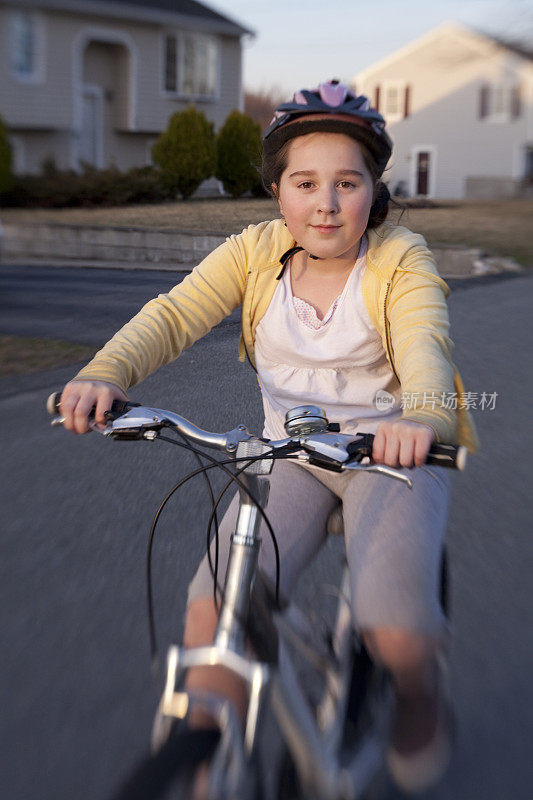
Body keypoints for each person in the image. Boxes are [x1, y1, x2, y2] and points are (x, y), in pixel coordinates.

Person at [59, 81, 477, 795]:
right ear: (277, 191)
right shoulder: (255, 253)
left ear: (372, 192)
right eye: (304, 182)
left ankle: (417, 697)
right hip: (288, 454)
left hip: (391, 454)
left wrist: (422, 420)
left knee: (394, 627)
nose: (325, 202)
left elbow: (426, 350)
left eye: (347, 183)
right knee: (212, 612)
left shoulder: (399, 260)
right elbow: (173, 315)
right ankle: (206, 759)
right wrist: (105, 373)